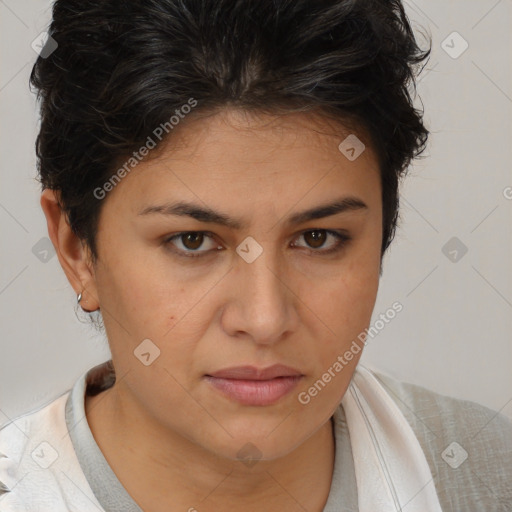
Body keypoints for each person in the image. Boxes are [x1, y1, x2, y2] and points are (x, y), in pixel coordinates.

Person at [1, 0, 511, 510]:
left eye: (318, 238)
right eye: (193, 241)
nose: (265, 319)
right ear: (76, 251)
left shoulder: (483, 475)